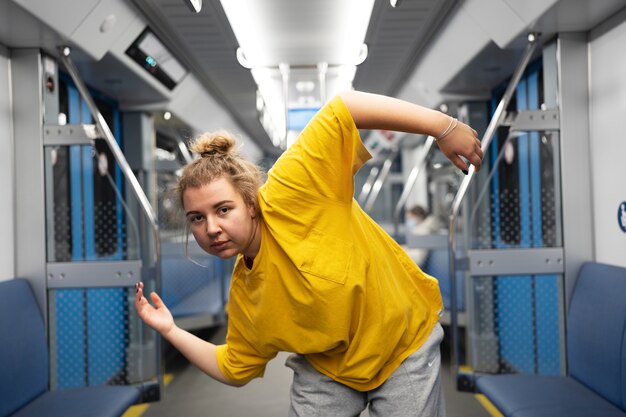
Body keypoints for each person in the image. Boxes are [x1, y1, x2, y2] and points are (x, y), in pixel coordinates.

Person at [135, 90, 482, 416]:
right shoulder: (247, 294)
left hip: (400, 342)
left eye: (223, 209)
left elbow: (344, 107)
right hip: (326, 364)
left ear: (252, 204)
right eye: (197, 218)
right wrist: (169, 329)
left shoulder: (292, 189)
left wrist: (444, 127)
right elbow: (233, 368)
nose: (210, 228)